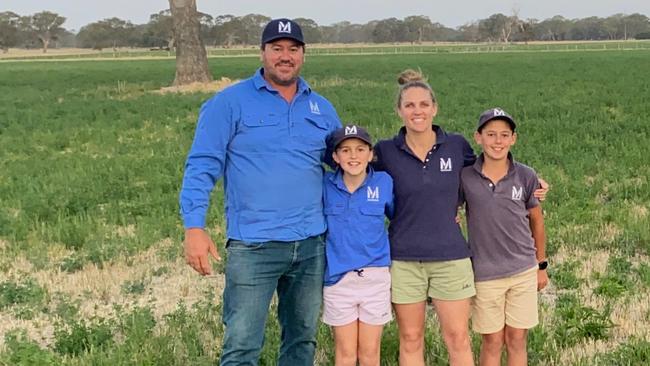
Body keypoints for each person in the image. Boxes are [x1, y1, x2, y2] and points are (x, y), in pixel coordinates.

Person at [179, 18, 341, 366]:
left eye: (293, 49)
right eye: (277, 48)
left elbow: (346, 168)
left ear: (303, 55)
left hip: (311, 244)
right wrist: (194, 226)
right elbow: (202, 165)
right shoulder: (229, 103)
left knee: (301, 342)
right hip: (254, 245)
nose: (286, 56)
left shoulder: (322, 108)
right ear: (263, 53)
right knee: (241, 345)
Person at [372, 70, 547, 366]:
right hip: (404, 258)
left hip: (451, 258)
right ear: (399, 110)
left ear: (435, 108)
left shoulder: (455, 146)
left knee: (457, 338)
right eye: (410, 105)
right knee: (411, 338)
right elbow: (353, 169)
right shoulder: (385, 151)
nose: (418, 111)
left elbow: (491, 165)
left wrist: (533, 180)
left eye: (424, 104)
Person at [460, 108, 548, 366]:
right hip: (486, 273)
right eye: (491, 134)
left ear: (513, 139)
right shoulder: (466, 176)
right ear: (478, 137)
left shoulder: (526, 175)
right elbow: (449, 208)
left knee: (517, 339)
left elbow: (537, 221)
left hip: (522, 269)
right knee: (493, 341)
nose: (497, 141)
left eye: (504, 135)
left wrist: (541, 265)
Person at [322, 125, 393, 366]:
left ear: (371, 154)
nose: (353, 156)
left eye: (360, 149)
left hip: (375, 277)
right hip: (338, 279)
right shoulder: (325, 185)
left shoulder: (383, 182)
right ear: (335, 157)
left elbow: (399, 216)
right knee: (345, 353)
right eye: (346, 150)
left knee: (370, 352)